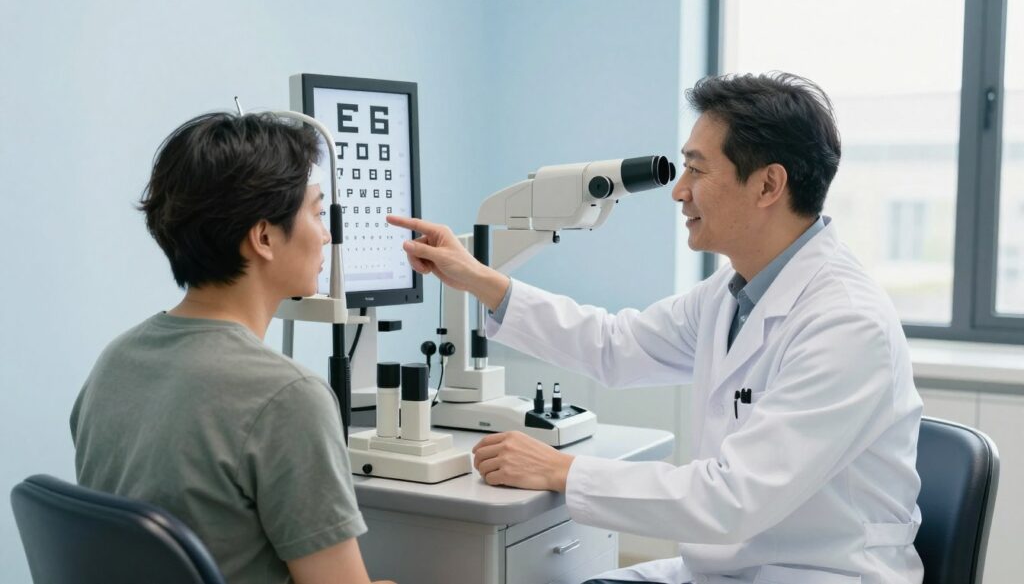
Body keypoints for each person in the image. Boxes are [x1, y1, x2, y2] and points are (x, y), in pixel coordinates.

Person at [387, 73, 923, 584]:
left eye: (697, 169)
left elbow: (733, 498)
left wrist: (563, 471)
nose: (678, 191)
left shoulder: (845, 324)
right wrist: (480, 280)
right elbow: (616, 346)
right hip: (728, 569)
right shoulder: (734, 290)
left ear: (768, 184)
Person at [71, 112, 393, 584]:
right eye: (319, 213)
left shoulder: (114, 363)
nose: (326, 235)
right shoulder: (289, 397)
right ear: (263, 237)